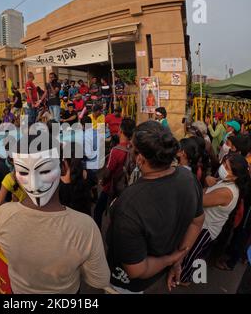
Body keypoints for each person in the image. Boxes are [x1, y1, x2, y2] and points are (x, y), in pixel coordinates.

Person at [0, 134, 111, 293]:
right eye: (24, 172)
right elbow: (99, 279)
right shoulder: (85, 227)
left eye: (45, 170)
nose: (34, 182)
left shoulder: (3, 215)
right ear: (64, 168)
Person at [107, 121, 205, 294]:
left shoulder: (129, 205)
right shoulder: (188, 178)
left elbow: (136, 270)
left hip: (130, 286)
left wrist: (172, 259)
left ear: (140, 158)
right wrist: (177, 258)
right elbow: (197, 222)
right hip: (161, 277)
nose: (129, 150)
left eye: (132, 147)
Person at [179, 154, 249, 284]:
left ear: (235, 176)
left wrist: (205, 181)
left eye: (226, 167)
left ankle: (184, 279)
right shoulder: (226, 181)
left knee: (190, 253)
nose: (222, 167)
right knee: (192, 251)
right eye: (224, 163)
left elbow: (200, 201)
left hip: (205, 228)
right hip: (203, 224)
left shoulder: (227, 192)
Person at [95, 118, 136, 230]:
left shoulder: (116, 150)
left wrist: (102, 181)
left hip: (111, 187)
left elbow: (108, 172)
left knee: (98, 211)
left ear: (120, 130)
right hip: (127, 187)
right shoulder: (133, 148)